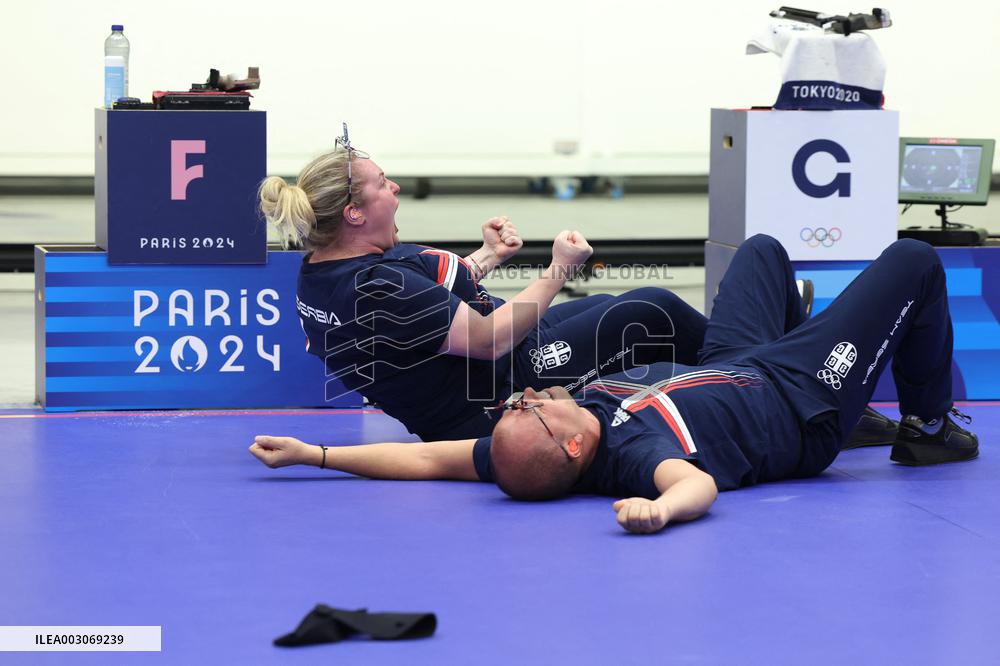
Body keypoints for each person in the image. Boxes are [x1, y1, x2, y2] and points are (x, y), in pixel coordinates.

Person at [250, 234, 974, 533]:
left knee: (761, 251)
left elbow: (420, 458)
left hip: (726, 362)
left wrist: (317, 455)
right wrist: (657, 513)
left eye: (521, 403)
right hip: (794, 398)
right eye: (531, 411)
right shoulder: (629, 462)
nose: (526, 398)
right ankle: (930, 429)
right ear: (569, 451)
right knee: (912, 258)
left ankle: (822, 353)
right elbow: (695, 487)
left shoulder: (543, 435)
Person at [258, 125, 708, 441]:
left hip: (483, 370)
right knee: (648, 312)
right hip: (492, 401)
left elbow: (422, 319)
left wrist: (488, 257)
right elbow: (489, 340)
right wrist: (560, 269)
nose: (394, 187)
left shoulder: (321, 270)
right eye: (382, 183)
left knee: (614, 301)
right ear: (353, 214)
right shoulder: (377, 287)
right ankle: (745, 371)